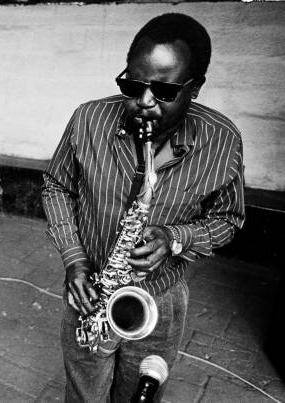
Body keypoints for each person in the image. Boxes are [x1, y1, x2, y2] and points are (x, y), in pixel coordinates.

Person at [42, 13, 245, 402]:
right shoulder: (87, 119)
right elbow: (56, 186)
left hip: (158, 300)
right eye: (133, 85)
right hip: (91, 290)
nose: (144, 103)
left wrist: (174, 238)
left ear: (195, 88)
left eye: (164, 91)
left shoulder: (222, 141)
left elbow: (228, 219)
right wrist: (74, 260)